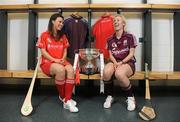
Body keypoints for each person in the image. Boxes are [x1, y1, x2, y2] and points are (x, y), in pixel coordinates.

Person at [36, 13, 78, 113]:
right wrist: (54, 60)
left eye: (62, 22)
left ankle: (66, 99)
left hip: (60, 61)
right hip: (48, 62)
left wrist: (63, 58)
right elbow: (43, 52)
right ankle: (65, 98)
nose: (62, 24)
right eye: (60, 21)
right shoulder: (44, 35)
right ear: (52, 21)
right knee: (61, 70)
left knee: (71, 70)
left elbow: (65, 50)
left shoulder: (63, 36)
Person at [103, 14, 137, 111]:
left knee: (119, 73)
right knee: (106, 72)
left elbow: (131, 54)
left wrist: (121, 62)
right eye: (114, 21)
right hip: (115, 61)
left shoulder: (130, 37)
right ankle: (110, 96)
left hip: (128, 62)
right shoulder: (110, 39)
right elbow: (110, 55)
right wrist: (115, 62)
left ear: (123, 24)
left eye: (118, 20)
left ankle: (130, 98)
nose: (115, 22)